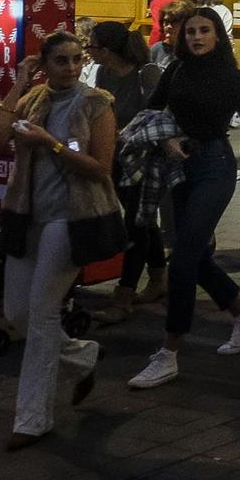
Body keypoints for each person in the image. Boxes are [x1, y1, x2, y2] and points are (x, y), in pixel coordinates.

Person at [127, 8, 240, 390]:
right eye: (190, 32)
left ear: (218, 35)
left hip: (216, 167)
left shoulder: (233, 79)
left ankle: (169, 353)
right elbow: (149, 110)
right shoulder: (176, 71)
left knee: (182, 262)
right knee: (195, 255)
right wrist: (165, 138)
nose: (197, 37)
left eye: (204, 30)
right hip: (179, 165)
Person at [0, 31, 122, 448]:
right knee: (17, 312)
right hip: (27, 214)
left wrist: (51, 144)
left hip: (73, 216)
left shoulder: (97, 103)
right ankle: (82, 355)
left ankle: (32, 419)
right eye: (62, 61)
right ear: (46, 64)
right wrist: (19, 83)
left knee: (41, 314)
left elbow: (100, 168)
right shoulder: (34, 99)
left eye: (78, 59)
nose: (73, 68)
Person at [86, 22, 164, 325]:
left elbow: (158, 115)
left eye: (92, 46)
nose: (88, 51)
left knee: (135, 223)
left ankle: (124, 294)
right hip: (115, 157)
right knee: (142, 218)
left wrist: (126, 132)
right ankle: (159, 278)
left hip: (144, 159)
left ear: (106, 50)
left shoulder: (146, 73)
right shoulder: (103, 73)